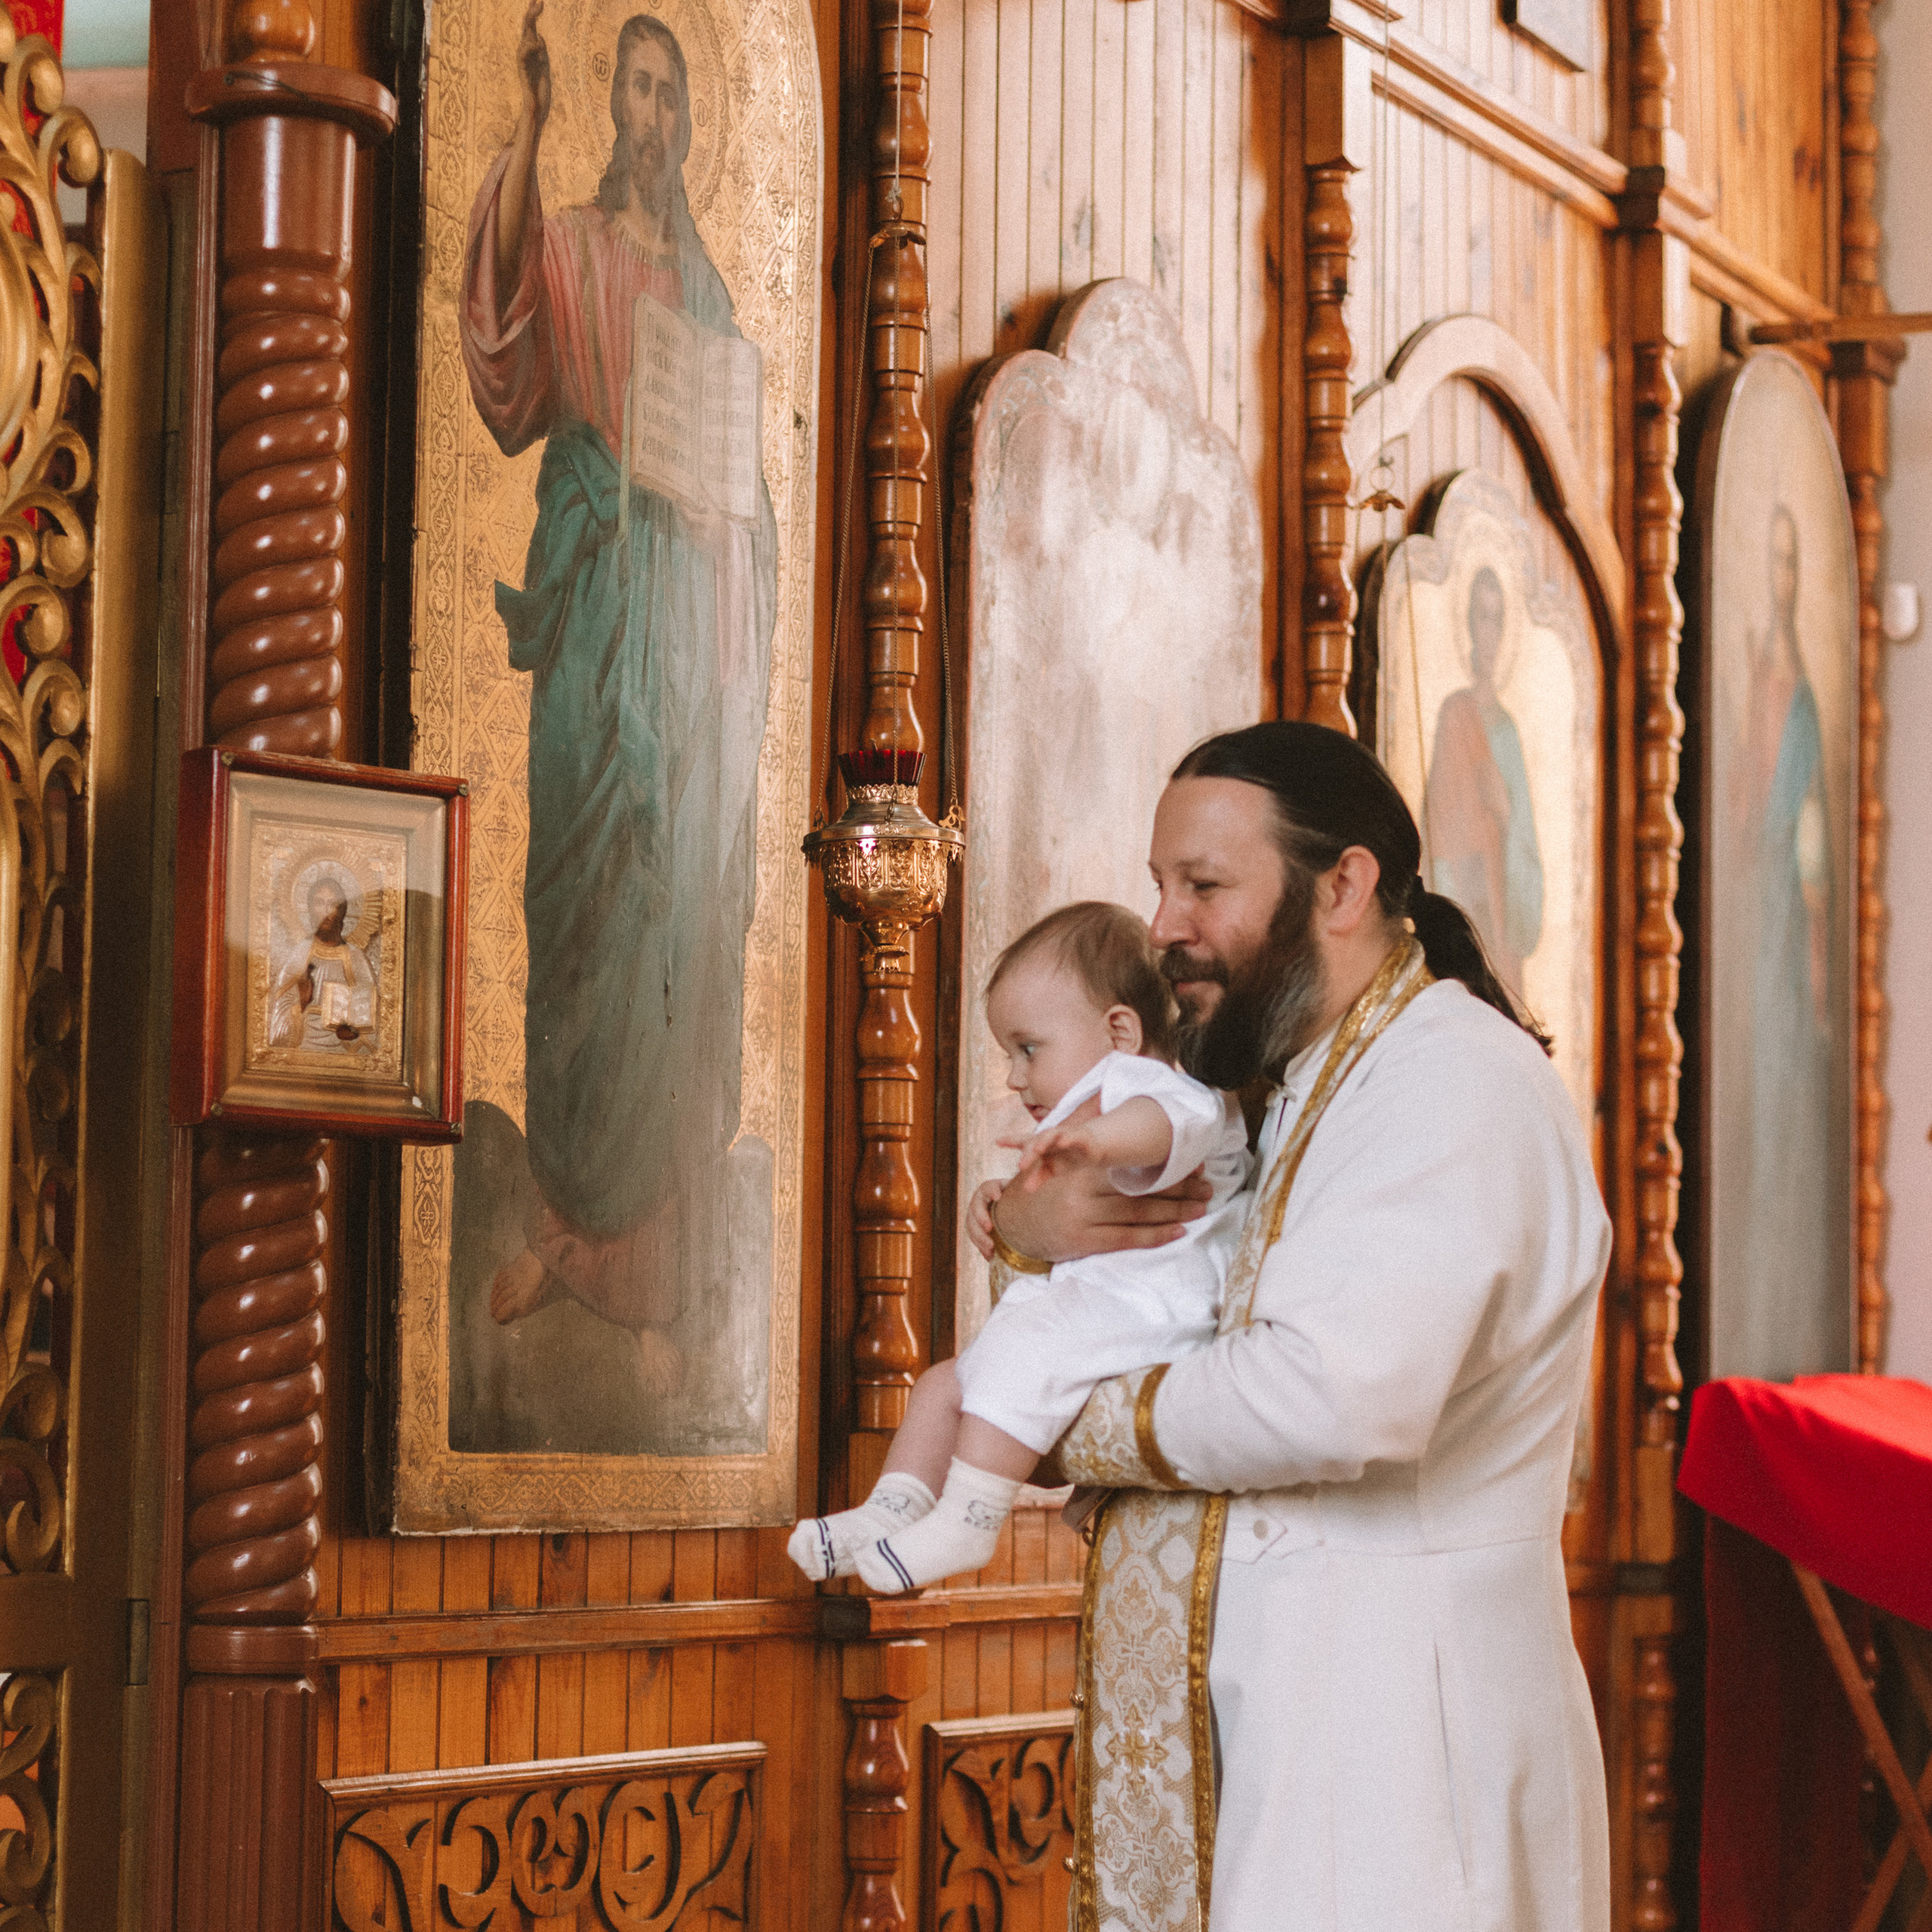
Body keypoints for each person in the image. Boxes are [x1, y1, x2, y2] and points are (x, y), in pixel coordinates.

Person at [980, 721, 1611, 1932]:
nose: (1161, 926)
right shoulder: (1280, 1096)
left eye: (1204, 887)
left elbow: (1334, 1394)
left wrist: (1065, 1426)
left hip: (1399, 1749)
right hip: (1305, 1728)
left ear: (1345, 883)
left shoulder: (1449, 1080)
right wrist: (1037, 1240)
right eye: (1162, 884)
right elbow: (1145, 1316)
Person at [460, 3, 778, 1388]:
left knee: (675, 916)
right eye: (630, 89)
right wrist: (522, 127)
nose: (647, 114)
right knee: (583, 900)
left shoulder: (708, 297)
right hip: (596, 605)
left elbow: (745, 489)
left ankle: (646, 1279)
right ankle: (564, 1223)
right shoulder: (579, 247)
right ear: (608, 109)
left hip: (684, 623)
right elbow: (505, 351)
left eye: (668, 95)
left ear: (688, 124)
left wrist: (726, 523)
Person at [788, 902, 1248, 1594]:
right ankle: (889, 1510)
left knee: (1021, 1348)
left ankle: (970, 1519)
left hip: (1157, 1308)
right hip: (1106, 1308)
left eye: (1028, 1049)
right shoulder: (1094, 1103)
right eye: (1009, 1054)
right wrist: (1001, 1206)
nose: (1013, 1076)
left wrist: (1096, 1141)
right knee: (946, 1382)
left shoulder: (1149, 1085)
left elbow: (1175, 1123)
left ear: (1120, 1031)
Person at [1424, 564, 1544, 995]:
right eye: (1480, 616)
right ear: (1469, 626)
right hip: (1467, 900)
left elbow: (1525, 837)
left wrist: (1506, 817)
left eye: (1496, 618)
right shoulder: (1455, 715)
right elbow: (1437, 827)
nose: (1487, 631)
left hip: (1503, 912)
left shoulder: (1508, 732)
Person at [268, 878, 376, 1054]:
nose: (325, 911)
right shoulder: (300, 954)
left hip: (344, 1051)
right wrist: (302, 1002)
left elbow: (373, 1016)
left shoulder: (355, 957)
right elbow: (277, 1015)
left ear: (340, 912)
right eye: (319, 903)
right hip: (302, 1049)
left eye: (332, 904)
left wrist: (353, 1030)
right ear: (311, 909)